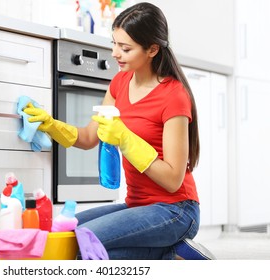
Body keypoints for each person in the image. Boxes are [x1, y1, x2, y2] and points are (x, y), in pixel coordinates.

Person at [24, 2, 215, 260]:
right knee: (63, 234)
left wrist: (125, 139)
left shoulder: (173, 96)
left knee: (85, 242)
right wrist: (50, 123)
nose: (115, 53)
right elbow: (89, 137)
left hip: (176, 210)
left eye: (125, 48)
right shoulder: (119, 83)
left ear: (152, 49)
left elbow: (172, 179)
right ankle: (172, 255)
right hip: (137, 206)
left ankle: (174, 253)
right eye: (114, 43)